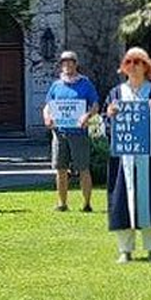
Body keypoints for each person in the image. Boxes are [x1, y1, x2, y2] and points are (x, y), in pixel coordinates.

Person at [104, 47, 151, 262]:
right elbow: (107, 128)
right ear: (124, 67)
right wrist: (109, 116)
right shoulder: (116, 93)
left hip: (150, 158)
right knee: (122, 201)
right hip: (124, 158)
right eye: (130, 62)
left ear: (146, 67)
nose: (134, 66)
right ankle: (125, 250)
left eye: (138, 62)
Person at [42, 50, 100, 212]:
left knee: (83, 168)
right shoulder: (56, 85)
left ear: (75, 64)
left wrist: (87, 116)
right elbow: (48, 106)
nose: (67, 65)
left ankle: (87, 203)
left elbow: (95, 105)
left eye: (70, 62)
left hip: (79, 133)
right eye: (64, 63)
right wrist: (47, 118)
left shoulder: (85, 83)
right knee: (60, 169)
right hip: (60, 133)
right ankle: (62, 203)